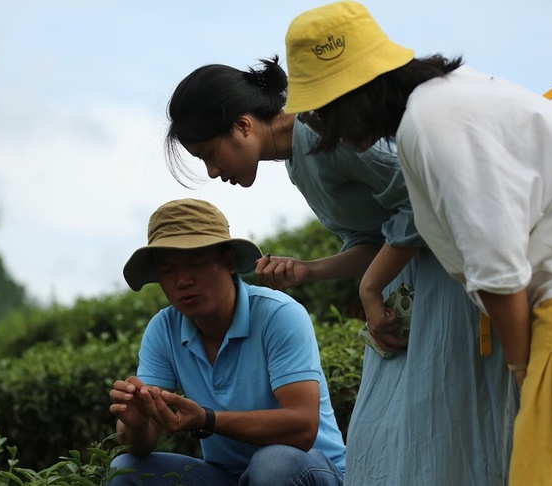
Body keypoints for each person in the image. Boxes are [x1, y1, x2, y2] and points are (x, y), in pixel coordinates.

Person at [281, 1, 552, 485]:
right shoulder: (448, 100)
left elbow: (498, 268)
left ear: (350, 97)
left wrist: (522, 370)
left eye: (319, 112)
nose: (318, 128)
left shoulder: (432, 123)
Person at [165, 57, 515, 484]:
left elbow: (420, 195)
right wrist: (307, 271)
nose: (213, 172)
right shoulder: (297, 159)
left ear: (242, 126)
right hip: (410, 293)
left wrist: (370, 291)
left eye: (208, 154)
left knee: (451, 420)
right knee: (401, 431)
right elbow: (372, 241)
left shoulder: (318, 129)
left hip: (449, 281)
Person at [108, 198, 346, 486]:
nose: (182, 281)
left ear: (229, 262)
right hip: (226, 477)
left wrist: (207, 419)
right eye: (168, 270)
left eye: (195, 264)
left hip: (308, 470)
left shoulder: (278, 315)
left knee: (272, 465)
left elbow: (303, 428)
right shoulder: (164, 328)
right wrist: (135, 424)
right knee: (126, 468)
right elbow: (141, 444)